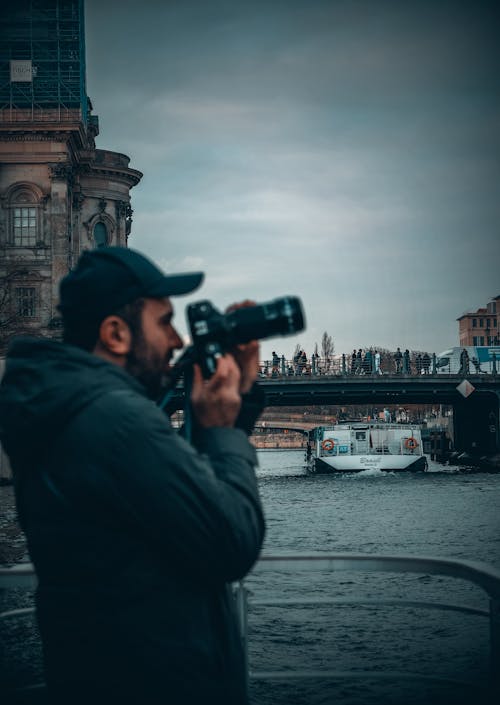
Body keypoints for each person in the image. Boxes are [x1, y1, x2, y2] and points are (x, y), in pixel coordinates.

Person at [0, 247, 266, 705]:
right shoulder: (118, 420)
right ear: (116, 333)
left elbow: (179, 501)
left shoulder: (70, 412)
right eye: (163, 322)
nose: (178, 340)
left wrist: (234, 404)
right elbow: (229, 543)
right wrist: (223, 431)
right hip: (156, 682)